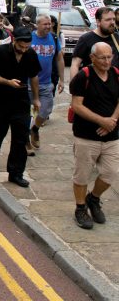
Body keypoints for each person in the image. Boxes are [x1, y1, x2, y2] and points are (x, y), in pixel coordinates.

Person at [0, 27, 41, 188]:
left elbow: (34, 77)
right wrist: (7, 82)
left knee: (20, 139)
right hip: (0, 101)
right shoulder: (0, 51)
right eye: (21, 46)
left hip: (21, 102)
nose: (23, 50)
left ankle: (15, 173)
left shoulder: (31, 54)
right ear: (14, 40)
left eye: (26, 47)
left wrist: (36, 98)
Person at [69, 42, 119, 229]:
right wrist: (101, 121)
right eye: (102, 58)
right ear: (92, 58)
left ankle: (93, 198)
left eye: (109, 57)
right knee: (82, 175)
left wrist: (111, 121)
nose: (107, 61)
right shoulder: (84, 76)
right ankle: (80, 208)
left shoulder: (116, 74)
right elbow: (77, 105)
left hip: (111, 136)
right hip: (86, 136)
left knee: (110, 172)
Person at [27, 13, 64, 155]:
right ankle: (25, 141)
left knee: (45, 111)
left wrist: (61, 79)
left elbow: (59, 59)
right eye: (45, 24)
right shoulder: (30, 37)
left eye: (50, 24)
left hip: (46, 83)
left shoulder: (54, 38)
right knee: (25, 114)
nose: (49, 26)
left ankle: (34, 129)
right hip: (28, 83)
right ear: (37, 25)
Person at [71, 7, 119, 80]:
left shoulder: (117, 37)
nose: (112, 22)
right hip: (93, 87)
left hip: (114, 87)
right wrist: (74, 87)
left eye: (113, 19)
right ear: (98, 22)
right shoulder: (85, 39)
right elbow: (75, 64)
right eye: (108, 20)